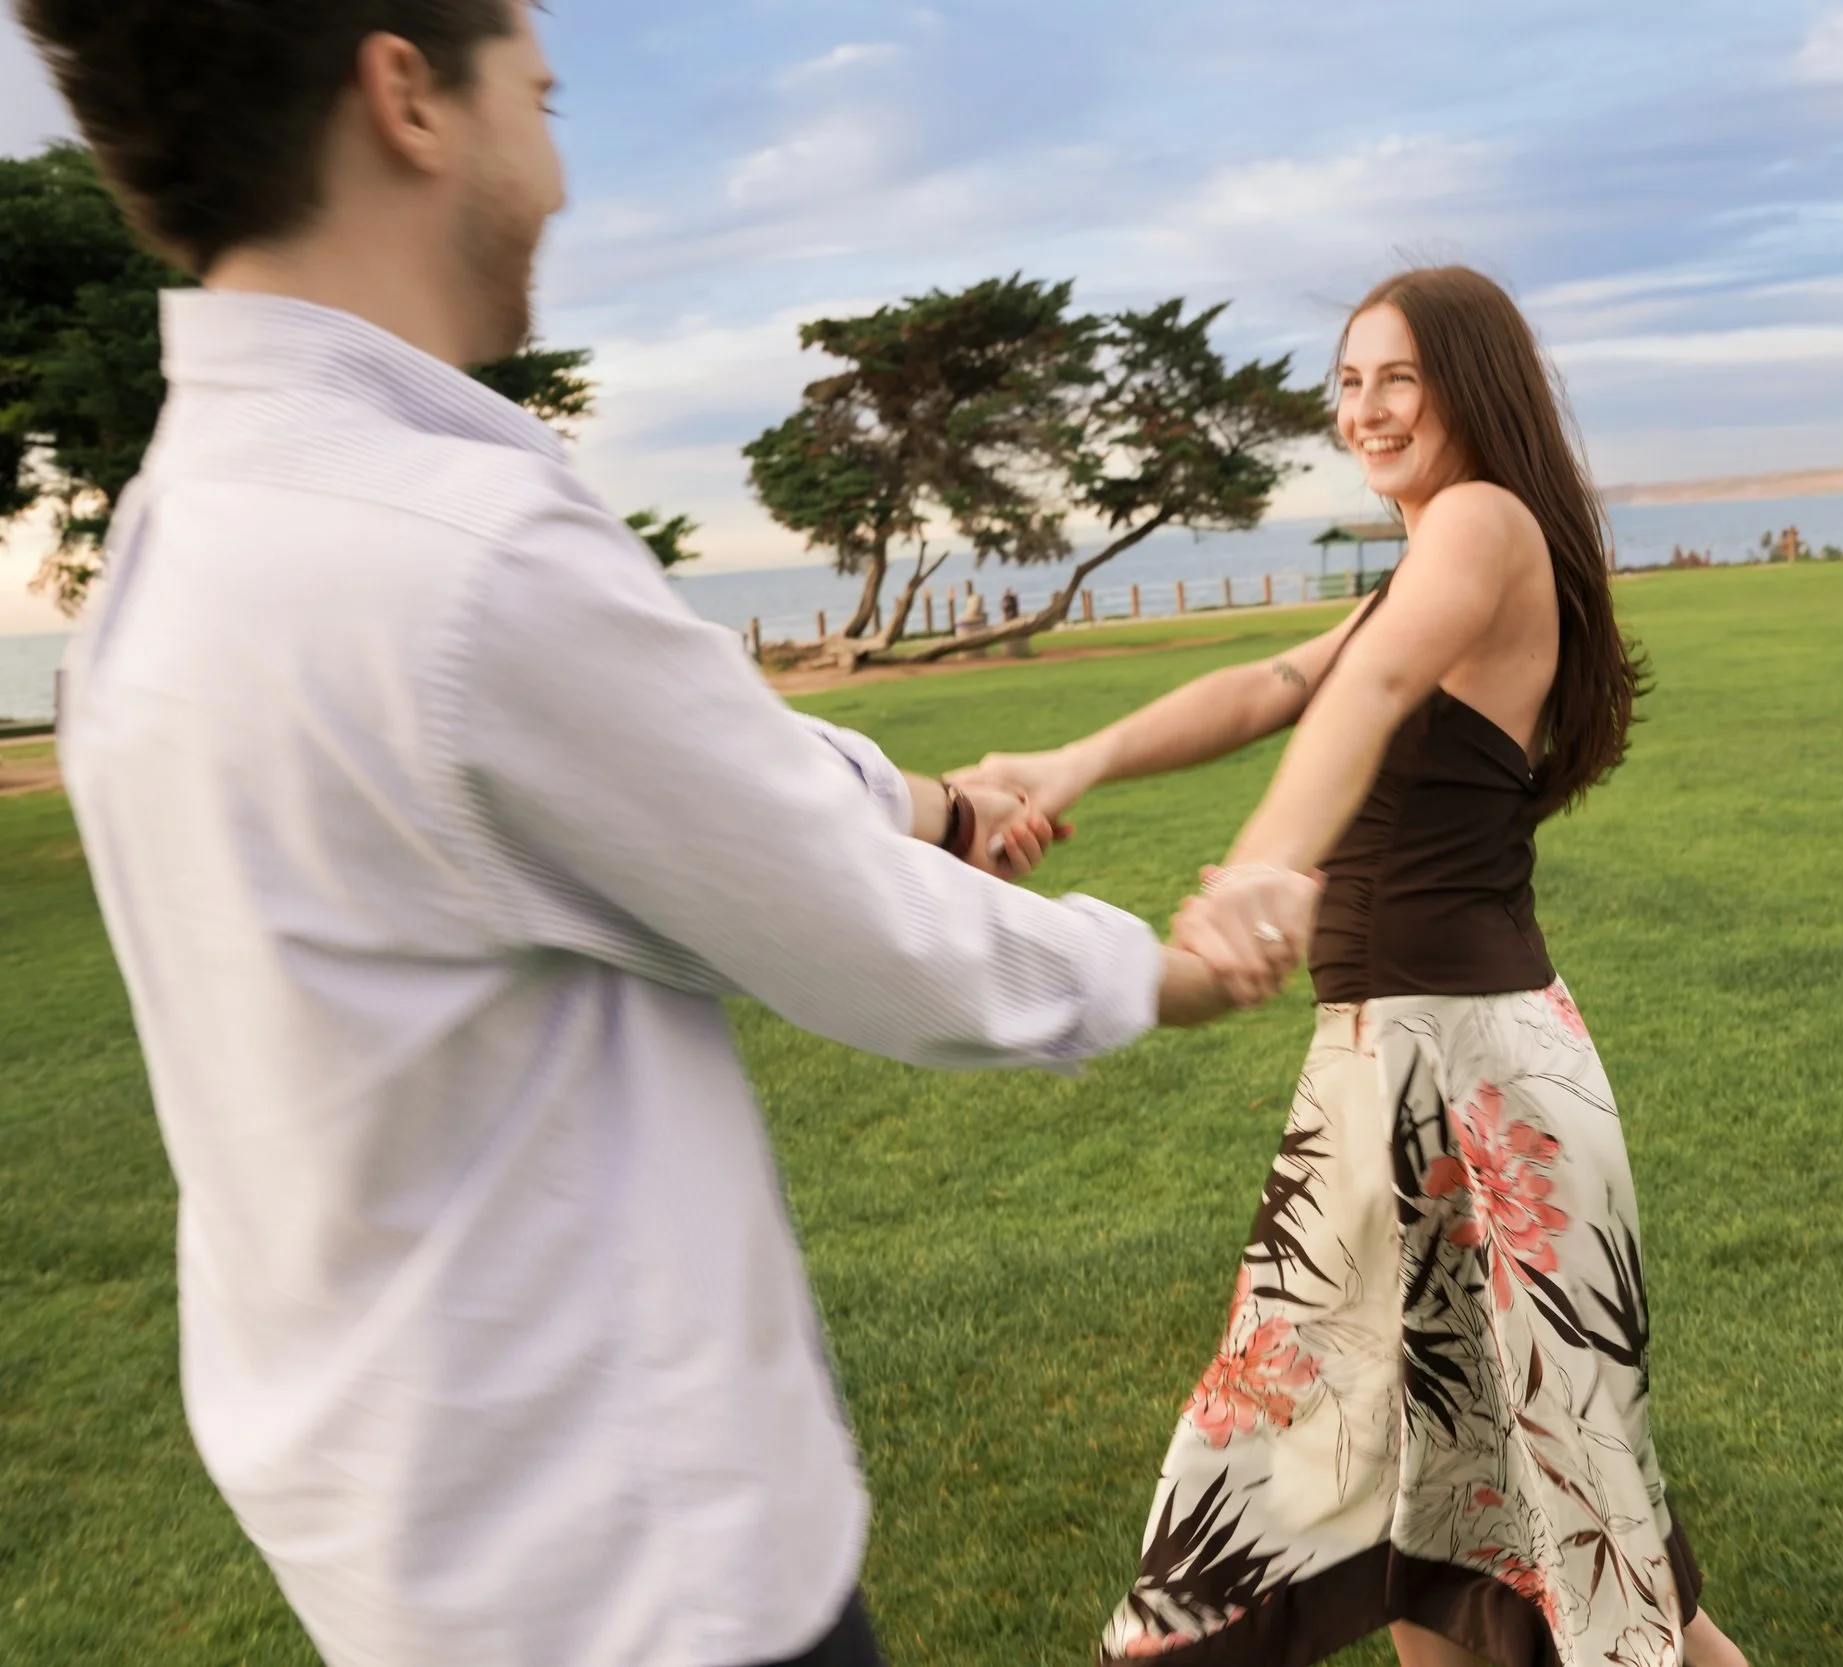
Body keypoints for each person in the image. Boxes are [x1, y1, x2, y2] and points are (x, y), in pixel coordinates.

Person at [16, 4, 1311, 1665]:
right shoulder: (455, 549)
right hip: (633, 1572)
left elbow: (665, 765)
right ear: (407, 94)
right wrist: (1176, 970)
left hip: (404, 1539)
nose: (555, 174)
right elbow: (862, 928)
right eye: (541, 102)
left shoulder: (175, 545)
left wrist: (934, 801)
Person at [969, 267, 1749, 1667]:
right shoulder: (1434, 560)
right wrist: (1071, 758)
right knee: (1453, 1526)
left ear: (1471, 385)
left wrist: (1268, 865)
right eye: (1347, 380)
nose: (1367, 407)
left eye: (1399, 376)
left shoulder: (1484, 524)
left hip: (1467, 1082)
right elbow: (1281, 683)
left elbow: (1377, 689)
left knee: (1541, 1530)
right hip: (1404, 1076)